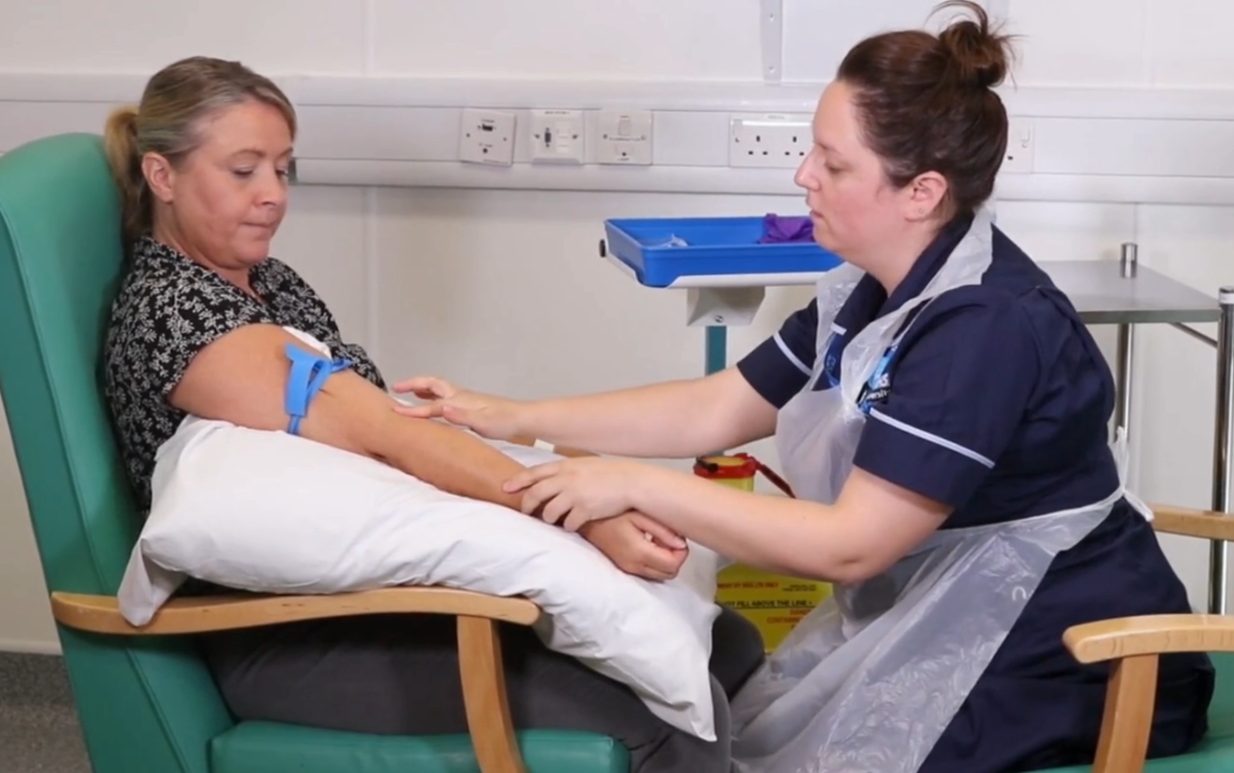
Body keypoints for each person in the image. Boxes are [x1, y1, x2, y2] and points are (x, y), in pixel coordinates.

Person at [396, 4, 1214, 771]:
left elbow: (850, 542)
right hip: (947, 607)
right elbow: (716, 406)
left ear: (922, 192)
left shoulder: (983, 329)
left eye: (832, 161)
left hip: (1075, 650)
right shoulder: (872, 292)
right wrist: (505, 411)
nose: (801, 176)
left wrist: (630, 481)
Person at [101, 55, 764, 772]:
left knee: (729, 644)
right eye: (243, 170)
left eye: (283, 169)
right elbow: (388, 438)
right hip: (289, 627)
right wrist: (585, 517)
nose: (272, 196)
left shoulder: (264, 280)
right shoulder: (181, 316)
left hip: (378, 590)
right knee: (673, 717)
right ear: (162, 176)